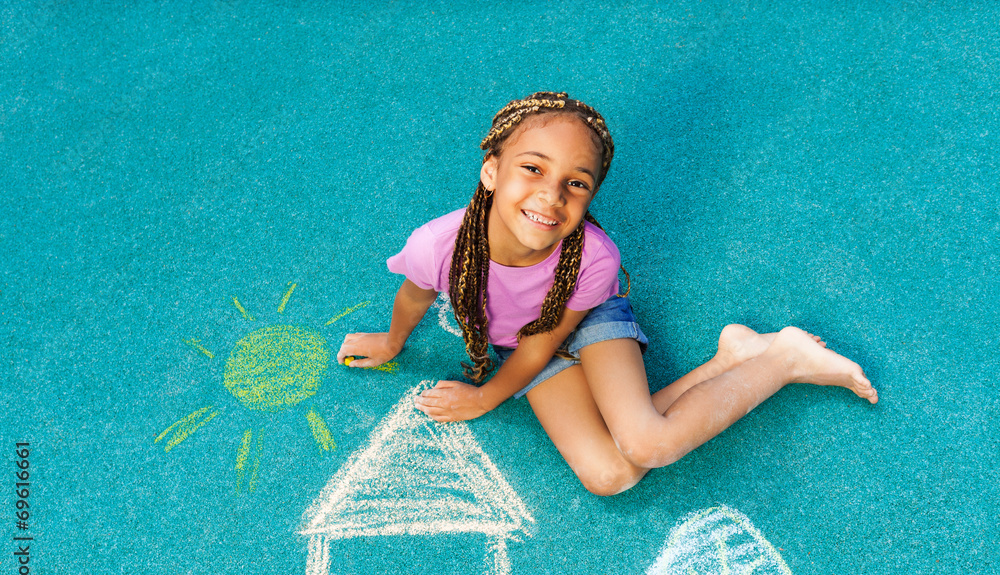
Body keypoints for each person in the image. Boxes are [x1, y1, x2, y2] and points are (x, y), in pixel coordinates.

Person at [337, 91, 878, 496]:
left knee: (649, 445)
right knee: (611, 475)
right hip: (526, 343)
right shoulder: (438, 244)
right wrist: (391, 341)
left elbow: (546, 339)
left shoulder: (592, 258)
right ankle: (729, 359)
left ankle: (785, 358)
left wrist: (486, 396)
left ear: (591, 193)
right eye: (533, 168)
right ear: (491, 171)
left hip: (584, 323)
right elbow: (414, 296)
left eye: (577, 182)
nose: (551, 195)